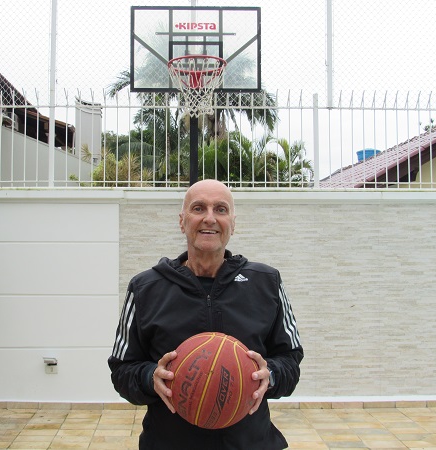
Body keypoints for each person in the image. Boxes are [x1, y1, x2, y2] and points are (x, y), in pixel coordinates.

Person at [108, 179, 303, 450]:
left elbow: (291, 360)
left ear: (233, 223)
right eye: (198, 208)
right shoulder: (145, 288)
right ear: (182, 221)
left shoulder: (267, 282)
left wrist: (270, 374)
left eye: (220, 209)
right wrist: (150, 377)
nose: (209, 218)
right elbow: (121, 370)